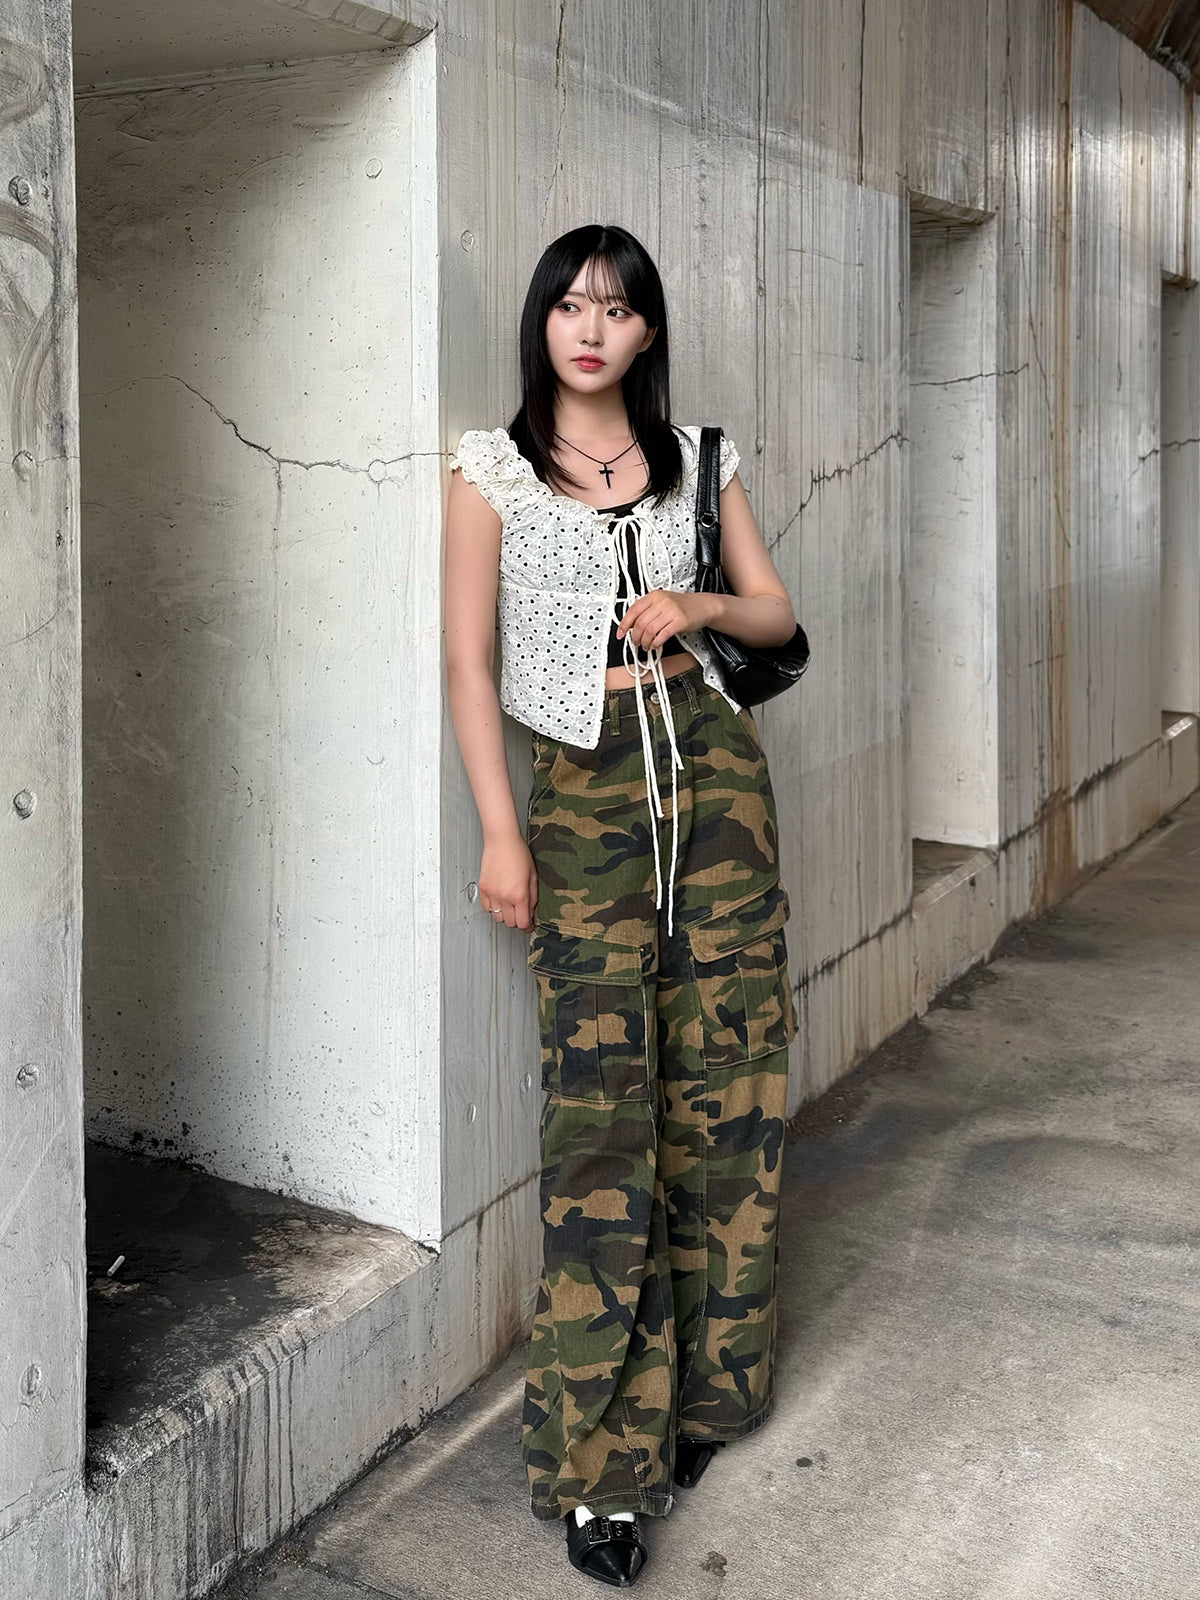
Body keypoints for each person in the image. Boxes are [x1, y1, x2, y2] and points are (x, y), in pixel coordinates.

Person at [444, 222, 801, 1588]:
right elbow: (470, 667)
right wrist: (502, 832)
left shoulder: (700, 460)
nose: (589, 329)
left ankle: (710, 1396)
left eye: (617, 309)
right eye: (569, 306)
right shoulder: (491, 471)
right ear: (543, 321)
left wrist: (697, 602)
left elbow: (774, 618)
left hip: (712, 775)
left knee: (729, 1083)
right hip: (582, 787)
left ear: (648, 330)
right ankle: (603, 1468)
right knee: (602, 1114)